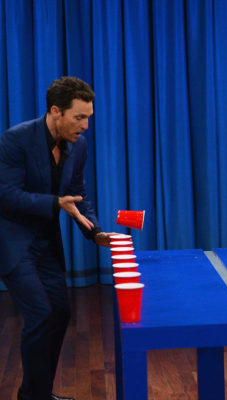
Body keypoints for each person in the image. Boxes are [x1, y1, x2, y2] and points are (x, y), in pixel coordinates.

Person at [0, 77, 113, 400]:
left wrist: (95, 231)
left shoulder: (79, 146)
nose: (85, 126)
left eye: (88, 117)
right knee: (40, 313)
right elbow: (5, 194)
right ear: (55, 111)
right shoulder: (16, 139)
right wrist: (54, 203)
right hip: (13, 241)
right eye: (79, 117)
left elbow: (77, 194)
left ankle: (38, 394)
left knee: (60, 312)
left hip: (46, 242)